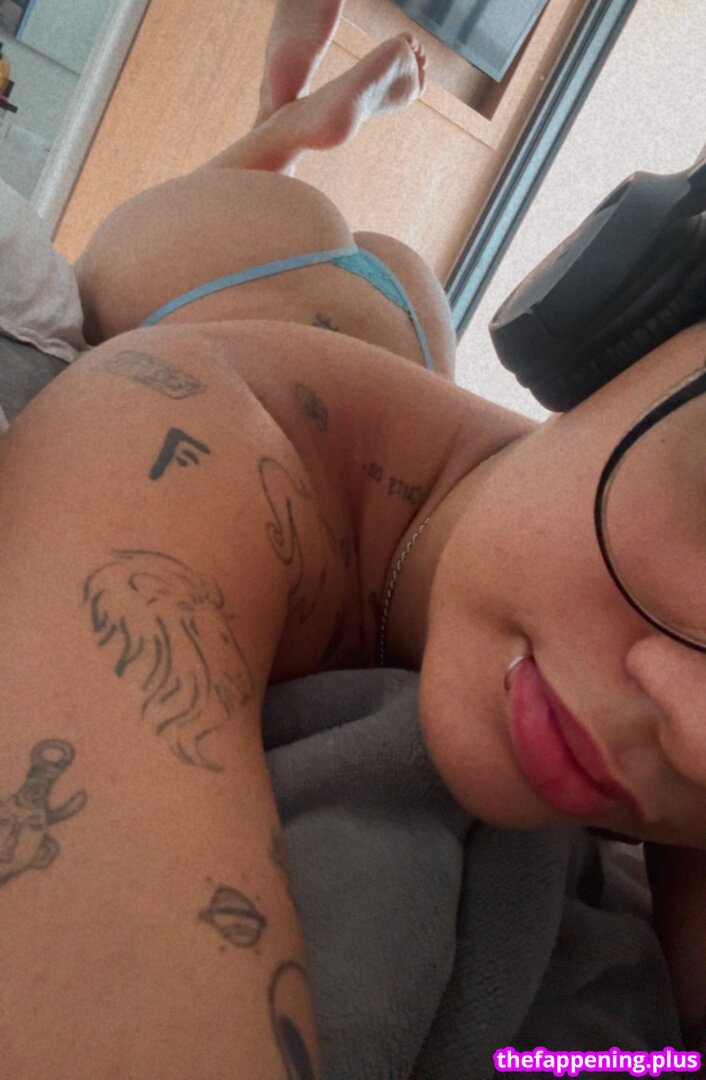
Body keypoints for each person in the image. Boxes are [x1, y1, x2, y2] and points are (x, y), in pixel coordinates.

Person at [1, 0, 704, 1074]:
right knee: (175, 226)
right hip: (235, 268)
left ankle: (303, 113)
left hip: (417, 346)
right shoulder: (182, 426)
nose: (694, 736)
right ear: (619, 330)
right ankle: (289, 119)